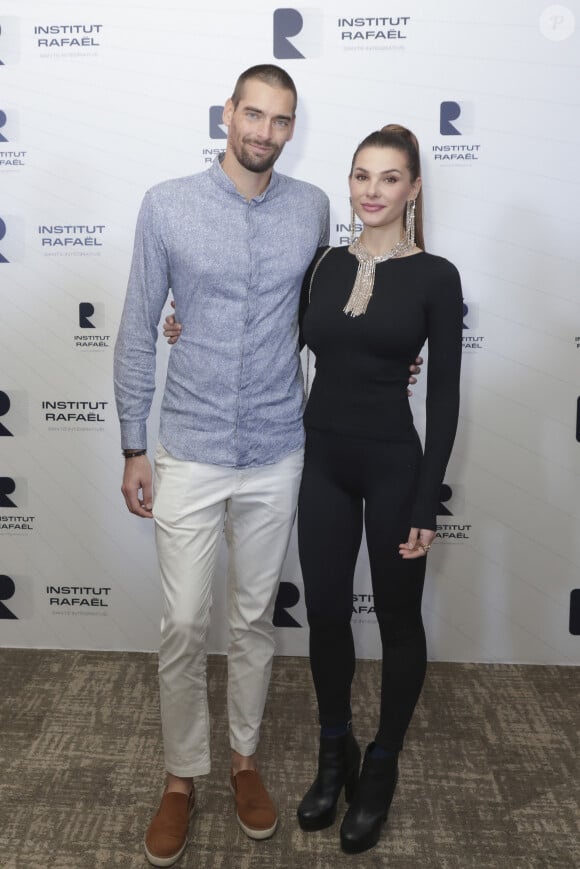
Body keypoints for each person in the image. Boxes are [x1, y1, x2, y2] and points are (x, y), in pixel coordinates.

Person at [113, 64, 330, 867]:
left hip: (277, 445)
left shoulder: (311, 209)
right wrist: (133, 443)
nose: (265, 133)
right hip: (190, 447)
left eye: (281, 120)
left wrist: (388, 356)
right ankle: (180, 774)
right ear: (228, 113)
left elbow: (324, 315)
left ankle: (242, 760)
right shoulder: (167, 205)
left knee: (251, 622)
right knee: (180, 625)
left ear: (291, 127)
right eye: (254, 115)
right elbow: (139, 325)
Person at [295, 124, 463, 854]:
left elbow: (447, 397)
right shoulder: (323, 263)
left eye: (389, 178)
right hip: (322, 460)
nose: (371, 191)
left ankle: (383, 759)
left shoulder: (436, 275)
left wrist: (427, 500)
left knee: (398, 617)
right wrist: (183, 325)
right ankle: (336, 747)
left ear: (414, 187)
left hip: (396, 464)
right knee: (327, 613)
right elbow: (274, 338)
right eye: (361, 176)